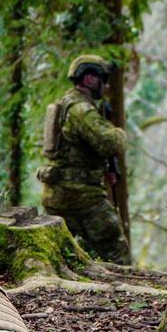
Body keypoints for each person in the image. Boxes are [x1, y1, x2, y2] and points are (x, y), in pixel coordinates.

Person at [37, 54, 131, 265]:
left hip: (57, 193)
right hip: (81, 196)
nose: (106, 86)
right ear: (89, 79)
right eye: (102, 79)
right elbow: (109, 143)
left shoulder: (65, 104)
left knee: (69, 257)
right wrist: (120, 133)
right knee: (116, 251)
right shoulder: (81, 110)